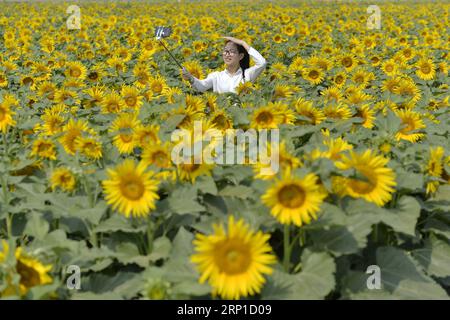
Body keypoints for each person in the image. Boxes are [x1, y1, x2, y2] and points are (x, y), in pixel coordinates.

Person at [181, 36, 267, 94]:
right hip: (221, 117)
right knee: (197, 122)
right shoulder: (216, 76)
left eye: (232, 51)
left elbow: (262, 62)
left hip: (240, 118)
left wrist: (243, 43)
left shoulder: (247, 75)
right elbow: (202, 86)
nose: (227, 54)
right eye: (225, 51)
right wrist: (190, 78)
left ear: (240, 56)